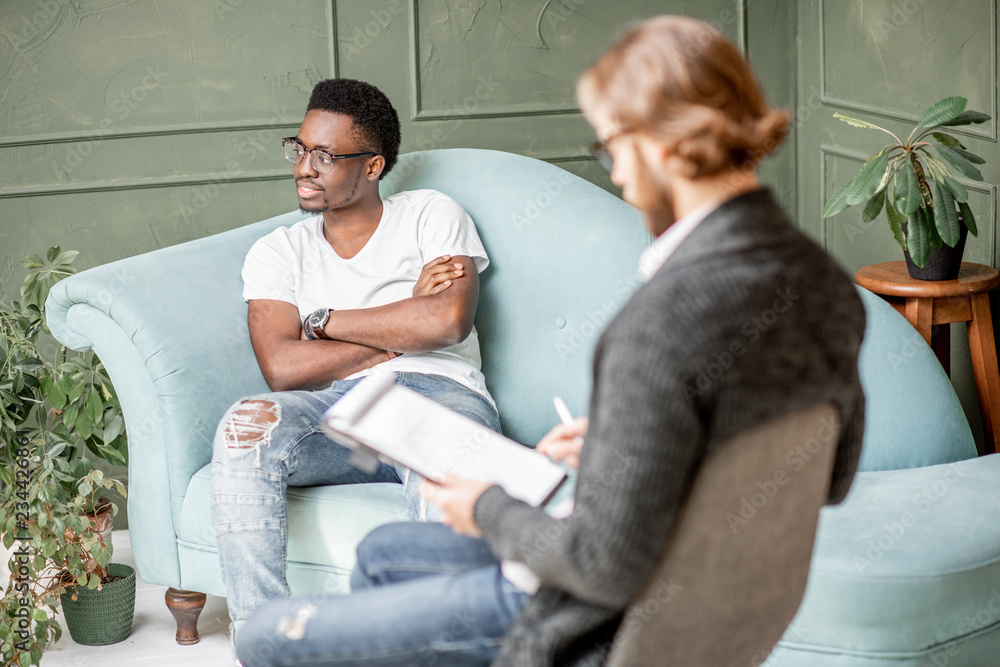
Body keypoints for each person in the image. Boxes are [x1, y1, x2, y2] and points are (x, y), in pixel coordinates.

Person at [236, 16, 866, 667]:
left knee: (264, 634)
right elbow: (828, 472)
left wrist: (488, 506)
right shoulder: (822, 283)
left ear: (668, 147)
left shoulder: (659, 321)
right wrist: (632, 438)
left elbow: (602, 565)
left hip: (588, 617)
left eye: (613, 146)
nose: (617, 172)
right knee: (385, 553)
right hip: (719, 606)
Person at [211, 77, 501, 635]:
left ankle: (431, 644)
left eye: (324, 155)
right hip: (340, 418)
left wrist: (321, 324)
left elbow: (445, 322)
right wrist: (403, 318)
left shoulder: (431, 214)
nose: (303, 168)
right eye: (299, 149)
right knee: (244, 426)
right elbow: (283, 368)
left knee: (447, 473)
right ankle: (265, 639)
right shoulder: (278, 251)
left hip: (438, 395)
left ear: (372, 166)